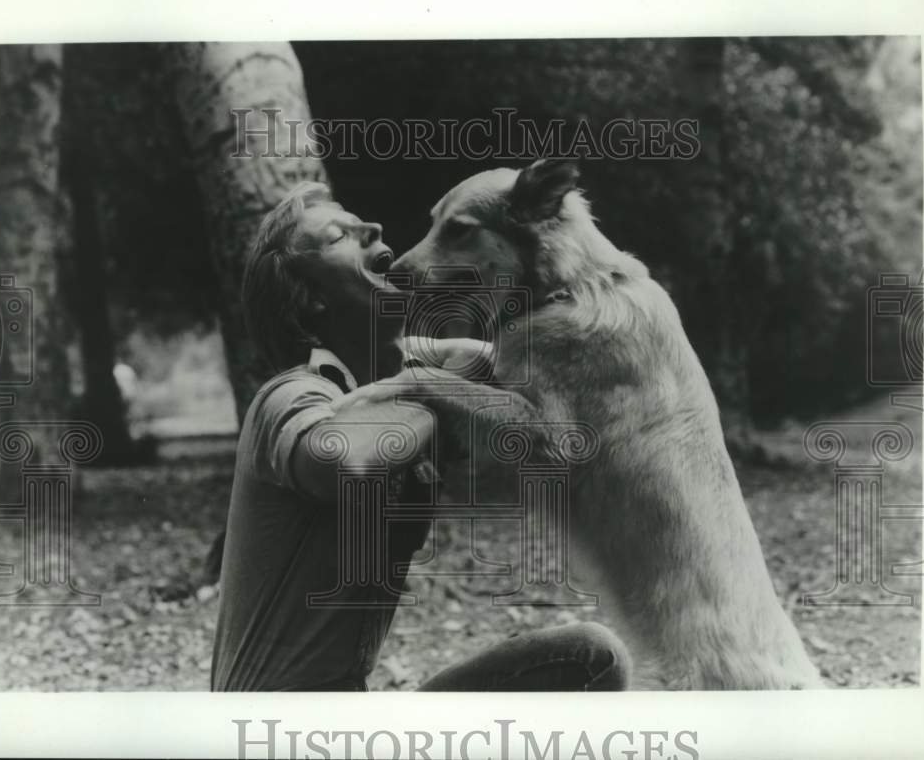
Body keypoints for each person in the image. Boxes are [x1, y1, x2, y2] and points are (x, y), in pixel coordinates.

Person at [210, 181, 630, 692]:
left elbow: (539, 377)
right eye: (339, 235)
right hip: (272, 727)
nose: (375, 228)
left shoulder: (413, 375)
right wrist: (433, 389)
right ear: (311, 299)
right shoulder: (290, 397)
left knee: (591, 656)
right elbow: (346, 462)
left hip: (358, 715)